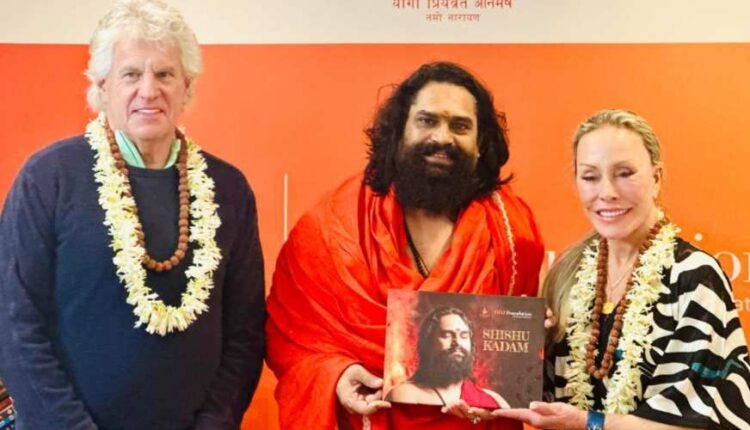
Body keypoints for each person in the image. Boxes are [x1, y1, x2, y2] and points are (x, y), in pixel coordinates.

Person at [0, 1, 265, 428]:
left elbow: (245, 333)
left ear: (187, 87)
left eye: (164, 74)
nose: (148, 90)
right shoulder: (48, 178)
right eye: (130, 74)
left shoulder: (229, 189)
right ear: (102, 86)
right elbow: (15, 324)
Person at [266, 62, 545, 430]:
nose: (443, 138)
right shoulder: (331, 228)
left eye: (460, 126)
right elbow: (292, 337)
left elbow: (516, 360)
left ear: (480, 145)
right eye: (427, 121)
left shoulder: (514, 232)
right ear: (399, 132)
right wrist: (338, 374)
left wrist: (536, 336)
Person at [496, 109, 750, 429]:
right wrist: (520, 359)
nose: (607, 192)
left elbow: (710, 421)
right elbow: (539, 400)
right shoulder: (567, 274)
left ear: (656, 178)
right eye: (590, 177)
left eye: (624, 173)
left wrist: (591, 423)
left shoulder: (694, 277)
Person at [386, 306, 510, 410]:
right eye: (447, 335)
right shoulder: (404, 395)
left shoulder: (495, 401)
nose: (457, 342)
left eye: (464, 336)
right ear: (428, 343)